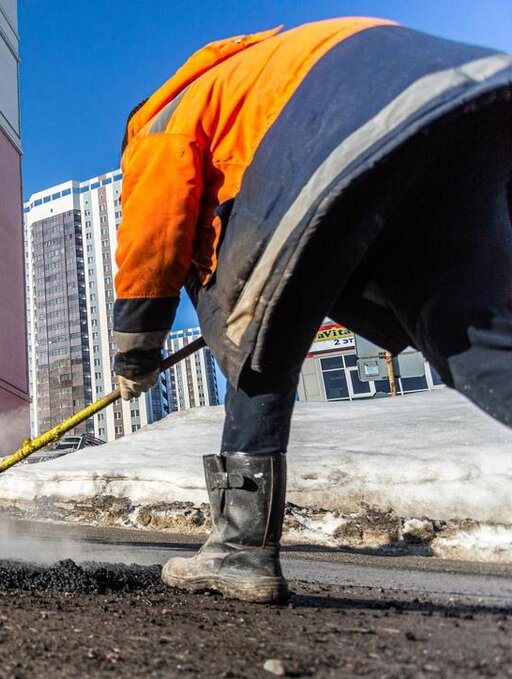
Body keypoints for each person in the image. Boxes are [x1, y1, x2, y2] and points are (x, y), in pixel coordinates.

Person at [113, 18, 512, 603]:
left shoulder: (161, 121)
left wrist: (134, 353)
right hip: (467, 102)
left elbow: (154, 233)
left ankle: (241, 552)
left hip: (341, 125)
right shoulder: (254, 82)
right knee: (479, 339)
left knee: (258, 350)